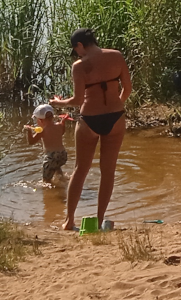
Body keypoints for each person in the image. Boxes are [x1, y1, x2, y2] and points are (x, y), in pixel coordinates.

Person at [50, 28, 132, 231]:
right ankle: (99, 218)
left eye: (75, 49)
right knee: (108, 171)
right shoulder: (116, 56)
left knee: (80, 170)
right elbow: (127, 88)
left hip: (90, 120)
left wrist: (58, 103)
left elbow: (78, 100)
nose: (76, 54)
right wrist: (115, 105)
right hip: (115, 118)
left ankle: (69, 221)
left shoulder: (79, 66)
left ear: (80, 45)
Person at [24, 104, 68, 184]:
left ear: (40, 120)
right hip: (62, 155)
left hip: (51, 157)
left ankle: (51, 192)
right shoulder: (59, 125)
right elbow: (62, 132)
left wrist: (29, 131)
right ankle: (63, 180)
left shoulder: (42, 131)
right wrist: (63, 122)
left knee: (46, 181)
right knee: (57, 168)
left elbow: (31, 142)